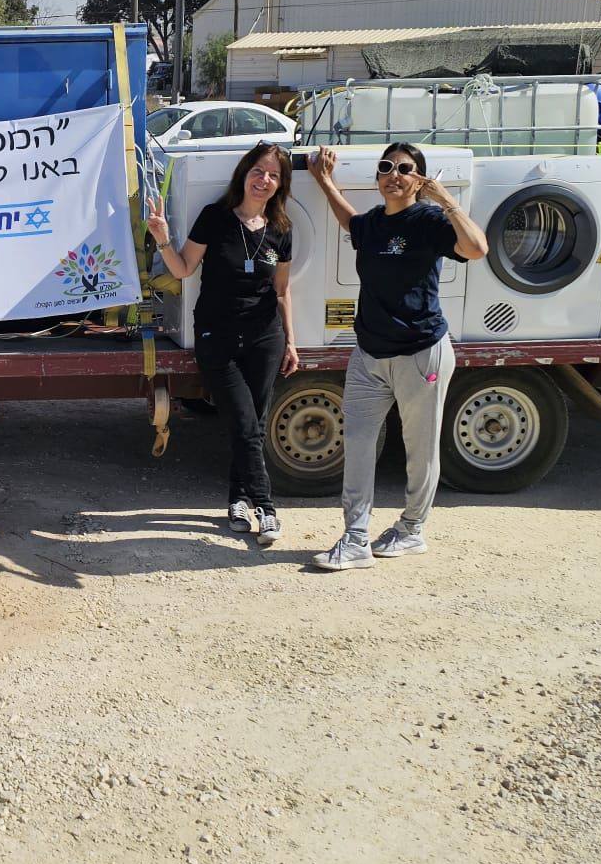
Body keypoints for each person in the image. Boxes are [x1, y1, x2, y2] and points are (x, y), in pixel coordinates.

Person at [306, 142, 489, 572]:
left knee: (419, 450)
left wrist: (445, 200)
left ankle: (412, 530)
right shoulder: (371, 224)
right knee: (357, 443)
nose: (393, 174)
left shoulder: (428, 220)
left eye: (404, 169)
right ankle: (355, 539)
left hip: (421, 354)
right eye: (386, 167)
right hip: (369, 355)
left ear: (418, 178)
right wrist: (324, 180)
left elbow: (477, 249)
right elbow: (349, 222)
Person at [146, 141, 301, 545]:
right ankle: (266, 508)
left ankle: (238, 499)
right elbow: (183, 269)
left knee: (253, 422)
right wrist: (162, 238)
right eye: (258, 171)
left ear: (280, 185)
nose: (263, 180)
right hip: (217, 335)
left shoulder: (281, 229)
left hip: (266, 335)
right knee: (245, 423)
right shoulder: (215, 218)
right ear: (244, 173)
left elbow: (282, 291)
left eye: (273, 175)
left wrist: (291, 342)